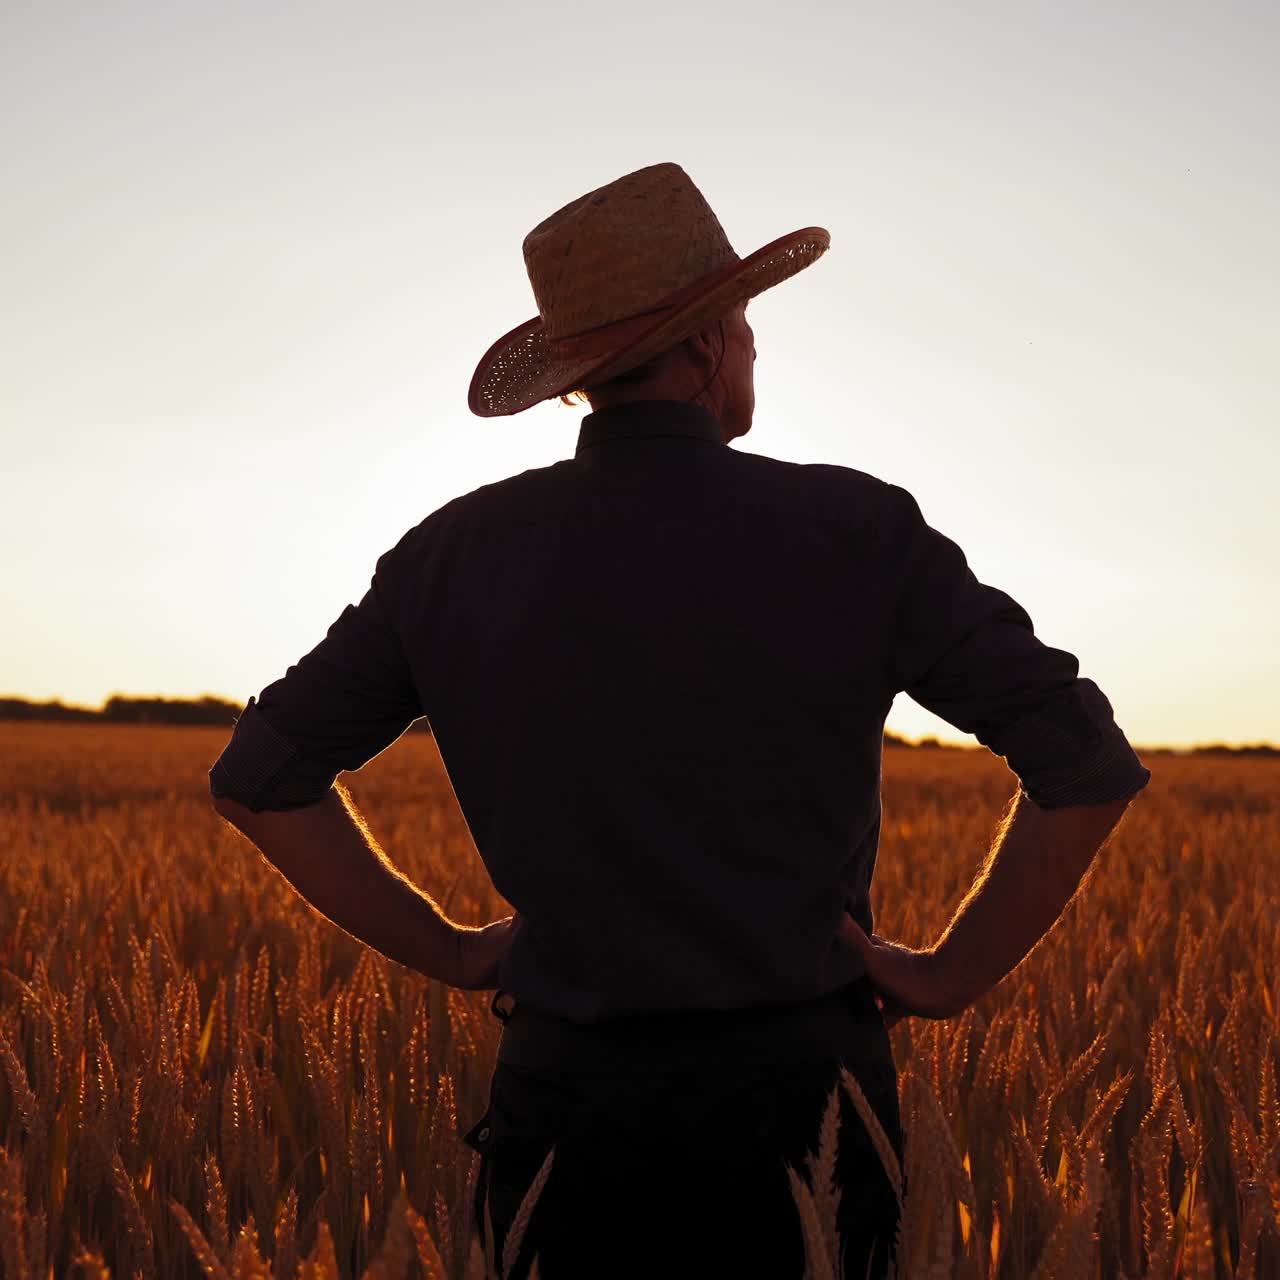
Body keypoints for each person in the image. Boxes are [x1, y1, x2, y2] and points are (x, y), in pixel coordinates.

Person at [209, 162, 1151, 1278]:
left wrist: (454, 948)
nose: (752, 350)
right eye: (745, 326)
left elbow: (257, 779)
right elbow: (1083, 762)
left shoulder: (450, 554)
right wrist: (949, 974)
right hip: (807, 1114)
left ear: (584, 375)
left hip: (564, 1117)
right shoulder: (854, 527)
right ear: (705, 347)